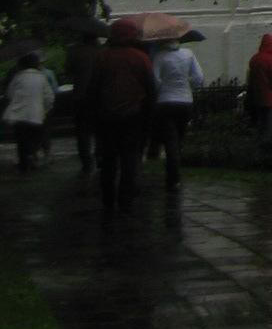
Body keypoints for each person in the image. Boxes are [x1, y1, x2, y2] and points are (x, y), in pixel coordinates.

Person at [89, 19, 157, 211]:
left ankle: (108, 195)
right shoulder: (141, 58)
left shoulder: (102, 57)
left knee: (109, 158)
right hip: (133, 115)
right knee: (129, 157)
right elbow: (151, 89)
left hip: (106, 115)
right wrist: (149, 116)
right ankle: (125, 196)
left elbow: (93, 88)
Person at [151, 36, 204, 185]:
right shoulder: (188, 54)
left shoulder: (159, 56)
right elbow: (198, 78)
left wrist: (162, 90)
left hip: (165, 102)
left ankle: (173, 175)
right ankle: (174, 167)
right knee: (179, 138)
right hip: (186, 102)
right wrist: (188, 87)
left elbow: (155, 80)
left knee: (170, 139)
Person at [3, 51, 58, 172]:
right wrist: (45, 109)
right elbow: (49, 96)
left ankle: (24, 163)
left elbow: (9, 93)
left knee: (21, 140)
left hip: (19, 114)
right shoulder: (41, 77)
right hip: (36, 114)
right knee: (36, 138)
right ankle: (31, 155)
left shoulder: (17, 77)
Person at [64, 29, 103, 175]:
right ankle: (100, 156)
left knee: (82, 131)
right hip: (100, 95)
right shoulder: (102, 51)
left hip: (80, 94)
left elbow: (68, 71)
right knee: (101, 128)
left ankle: (86, 162)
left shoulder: (74, 51)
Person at [245, 32, 272, 139]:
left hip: (257, 98)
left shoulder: (254, 59)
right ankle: (268, 148)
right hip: (270, 99)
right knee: (270, 127)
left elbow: (250, 80)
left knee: (260, 125)